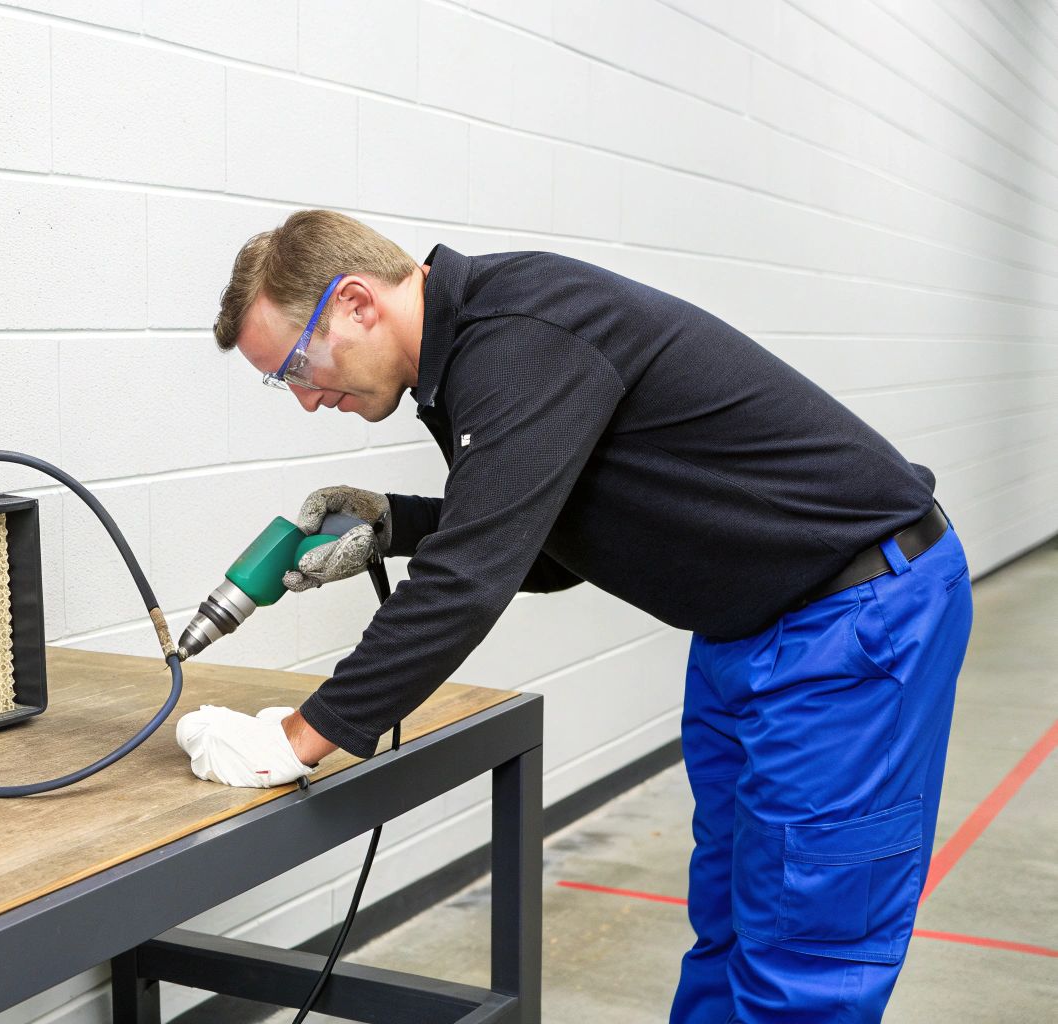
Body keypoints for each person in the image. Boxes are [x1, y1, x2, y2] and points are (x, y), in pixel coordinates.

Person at [173, 210, 972, 1023]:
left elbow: (467, 583)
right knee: (733, 924)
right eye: (287, 383)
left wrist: (296, 740)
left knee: (806, 952)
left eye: (298, 366)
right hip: (752, 627)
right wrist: (396, 525)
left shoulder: (518, 335)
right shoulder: (473, 359)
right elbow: (548, 552)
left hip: (852, 619)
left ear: (355, 303)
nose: (307, 401)